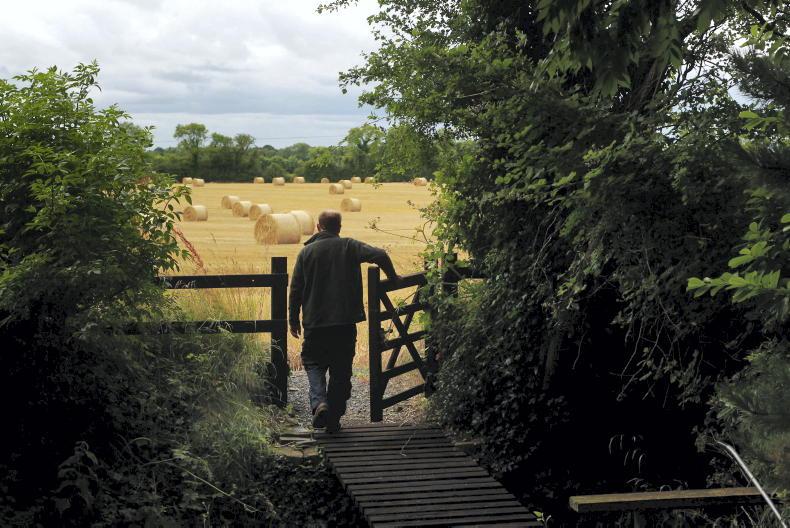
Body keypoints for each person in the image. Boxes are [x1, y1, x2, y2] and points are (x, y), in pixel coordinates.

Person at [289, 210, 399, 433]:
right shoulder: (349, 246)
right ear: (338, 227)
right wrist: (393, 277)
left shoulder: (306, 252)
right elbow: (380, 255)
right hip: (344, 322)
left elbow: (296, 290)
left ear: (318, 227)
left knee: (313, 362)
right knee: (341, 370)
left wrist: (293, 319)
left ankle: (320, 402)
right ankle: (334, 419)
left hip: (315, 323)